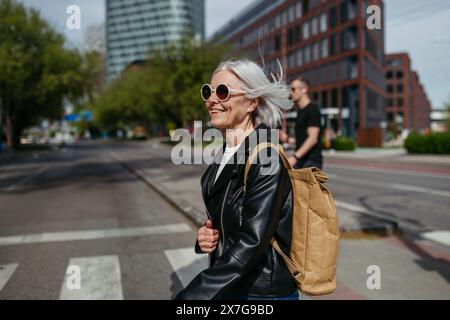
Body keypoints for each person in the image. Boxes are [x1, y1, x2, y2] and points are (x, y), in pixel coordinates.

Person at [174, 60, 299, 300]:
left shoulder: (265, 156)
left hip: (261, 293)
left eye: (223, 92)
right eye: (207, 92)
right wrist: (205, 238)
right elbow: (230, 217)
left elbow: (253, 240)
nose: (212, 100)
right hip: (234, 284)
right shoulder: (226, 152)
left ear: (253, 102)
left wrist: (192, 297)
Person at [281, 77, 323, 169]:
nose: (291, 92)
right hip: (302, 160)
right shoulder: (300, 112)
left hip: (311, 161)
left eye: (293, 89)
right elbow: (303, 139)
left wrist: (294, 157)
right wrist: (287, 139)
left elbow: (313, 138)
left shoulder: (312, 109)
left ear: (304, 89)